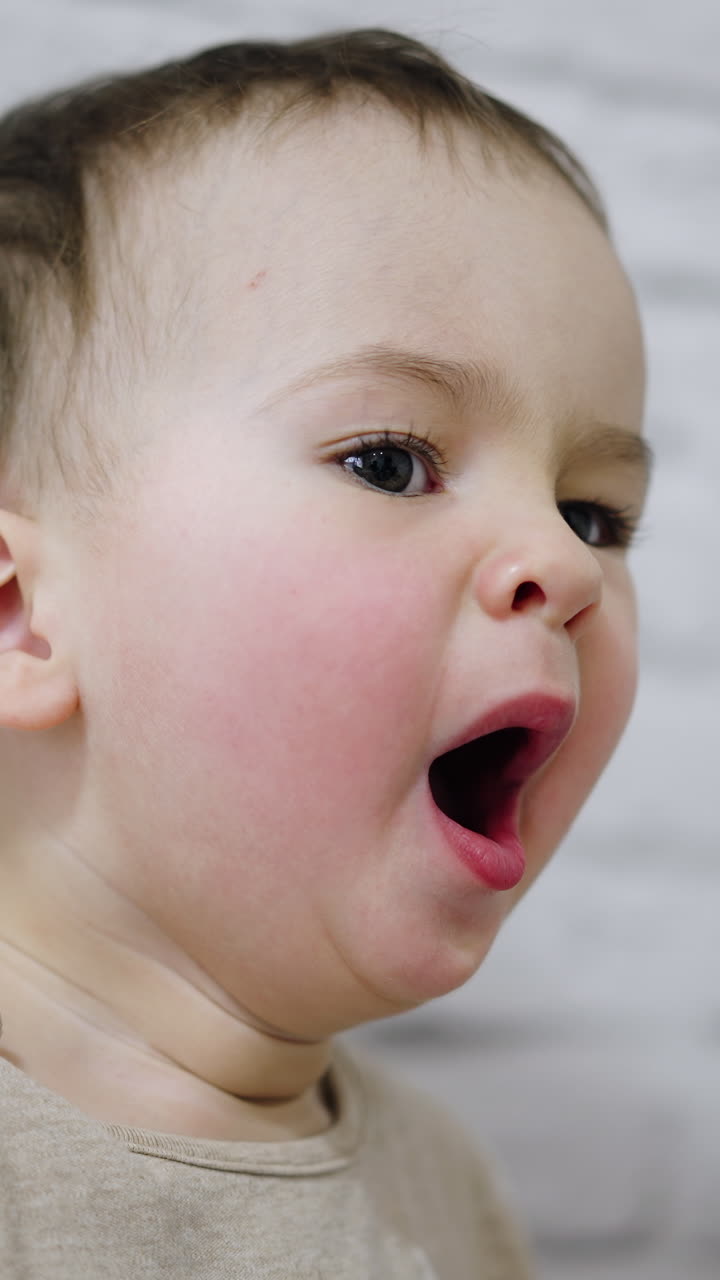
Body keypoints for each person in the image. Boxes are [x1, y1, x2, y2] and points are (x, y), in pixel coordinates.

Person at [0, 26, 651, 1279]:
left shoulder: (442, 1187)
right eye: (391, 463)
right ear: (20, 614)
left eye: (594, 515)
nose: (564, 565)